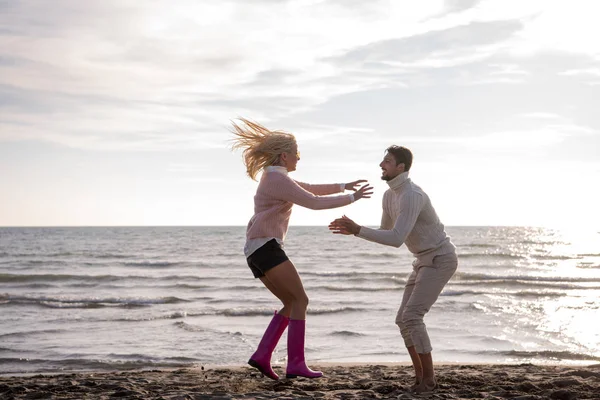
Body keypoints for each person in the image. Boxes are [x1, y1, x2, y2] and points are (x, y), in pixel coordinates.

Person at [230, 118, 373, 380]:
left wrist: (343, 186)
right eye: (296, 154)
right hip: (266, 246)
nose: (299, 159)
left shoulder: (276, 177)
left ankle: (262, 356)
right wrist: (353, 198)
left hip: (256, 249)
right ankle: (295, 363)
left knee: (290, 302)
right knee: (301, 300)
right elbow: (313, 202)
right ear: (284, 156)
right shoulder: (276, 178)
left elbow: (308, 188)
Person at [328, 145, 457, 393]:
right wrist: (356, 231)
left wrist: (358, 230)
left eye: (387, 161)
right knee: (402, 319)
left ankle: (429, 381)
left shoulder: (412, 195)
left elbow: (397, 238)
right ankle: (419, 378)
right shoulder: (389, 196)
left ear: (401, 167)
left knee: (412, 317)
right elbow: (387, 232)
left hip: (441, 258)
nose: (381, 165)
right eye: (382, 161)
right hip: (421, 260)